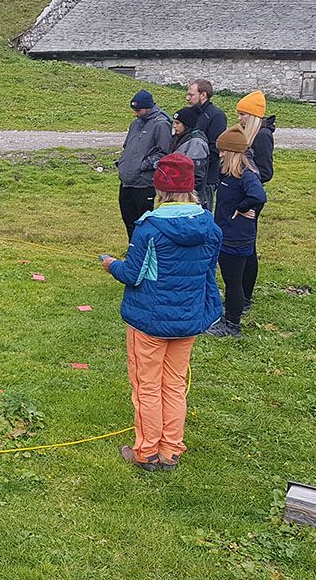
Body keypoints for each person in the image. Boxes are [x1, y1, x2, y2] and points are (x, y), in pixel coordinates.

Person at [101, 153, 222, 471]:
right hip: (188, 319)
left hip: (150, 321)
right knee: (174, 383)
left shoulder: (148, 230)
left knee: (147, 385)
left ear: (160, 190)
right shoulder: (210, 228)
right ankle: (171, 449)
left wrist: (112, 265)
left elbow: (133, 274)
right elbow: (207, 270)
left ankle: (147, 452)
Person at [205, 124, 268, 339]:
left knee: (233, 283)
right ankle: (230, 315)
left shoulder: (246, 175)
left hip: (237, 237)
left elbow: (259, 196)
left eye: (223, 151)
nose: (220, 154)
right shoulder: (229, 174)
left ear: (233, 152)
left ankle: (232, 325)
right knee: (231, 280)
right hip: (226, 234)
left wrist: (242, 209)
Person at [233, 90, 275, 313]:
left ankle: (246, 295)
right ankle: (238, 291)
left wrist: (247, 174)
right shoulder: (246, 134)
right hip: (241, 192)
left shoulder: (262, 136)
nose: (239, 119)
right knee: (239, 244)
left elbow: (266, 171)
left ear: (253, 116)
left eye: (243, 115)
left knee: (247, 246)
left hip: (252, 196)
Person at [116, 90, 173, 240]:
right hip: (127, 181)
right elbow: (127, 147)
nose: (135, 113)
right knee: (128, 219)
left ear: (148, 107)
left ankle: (144, 252)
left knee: (143, 221)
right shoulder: (135, 124)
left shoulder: (161, 125)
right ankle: (132, 249)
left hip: (143, 183)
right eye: (133, 110)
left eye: (138, 110)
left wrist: (143, 165)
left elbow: (164, 153)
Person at [187, 79, 227, 210]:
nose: (188, 98)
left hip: (206, 177)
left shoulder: (216, 115)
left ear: (203, 95)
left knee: (203, 214)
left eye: (191, 95)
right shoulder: (191, 113)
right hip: (188, 174)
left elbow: (215, 148)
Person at [170, 105, 210, 205]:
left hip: (188, 197)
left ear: (187, 125)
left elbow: (196, 175)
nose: (174, 126)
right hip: (178, 192)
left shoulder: (196, 143)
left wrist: (189, 195)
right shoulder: (179, 138)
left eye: (178, 123)